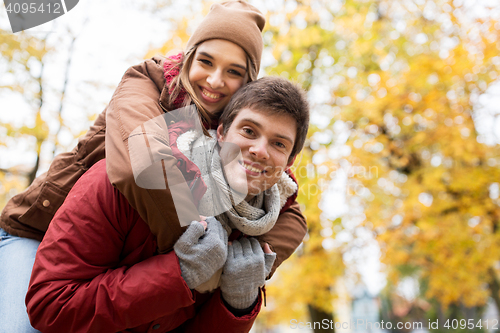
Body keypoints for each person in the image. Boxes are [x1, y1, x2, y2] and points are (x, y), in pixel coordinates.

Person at [0, 1, 307, 331]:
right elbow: (140, 163)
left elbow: (284, 198)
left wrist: (246, 273)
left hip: (120, 252)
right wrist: (198, 254)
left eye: (233, 72)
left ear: (246, 86)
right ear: (189, 57)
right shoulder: (148, 84)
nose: (216, 80)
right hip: (39, 228)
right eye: (206, 62)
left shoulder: (236, 132)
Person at [26, 76, 310, 332]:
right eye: (249, 131)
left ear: (289, 163)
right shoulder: (122, 181)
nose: (260, 151)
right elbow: (50, 306)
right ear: (221, 132)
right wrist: (176, 274)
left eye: (279, 144)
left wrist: (238, 305)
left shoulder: (260, 232)